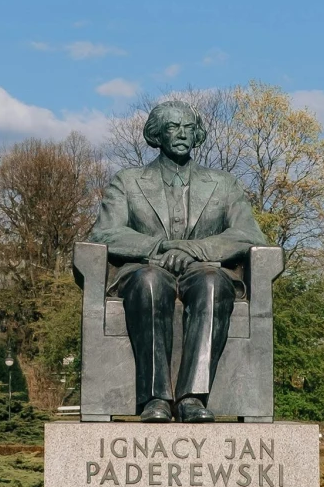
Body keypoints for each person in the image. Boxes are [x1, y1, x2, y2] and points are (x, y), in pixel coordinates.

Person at [86, 101, 264, 423]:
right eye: (172, 127)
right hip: (146, 268)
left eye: (188, 128)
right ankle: (156, 398)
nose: (181, 134)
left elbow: (249, 235)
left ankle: (193, 398)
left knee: (212, 282)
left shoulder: (224, 184)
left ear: (197, 135)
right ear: (157, 135)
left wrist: (196, 249)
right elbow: (104, 234)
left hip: (203, 267)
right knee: (150, 282)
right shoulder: (127, 182)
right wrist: (161, 246)